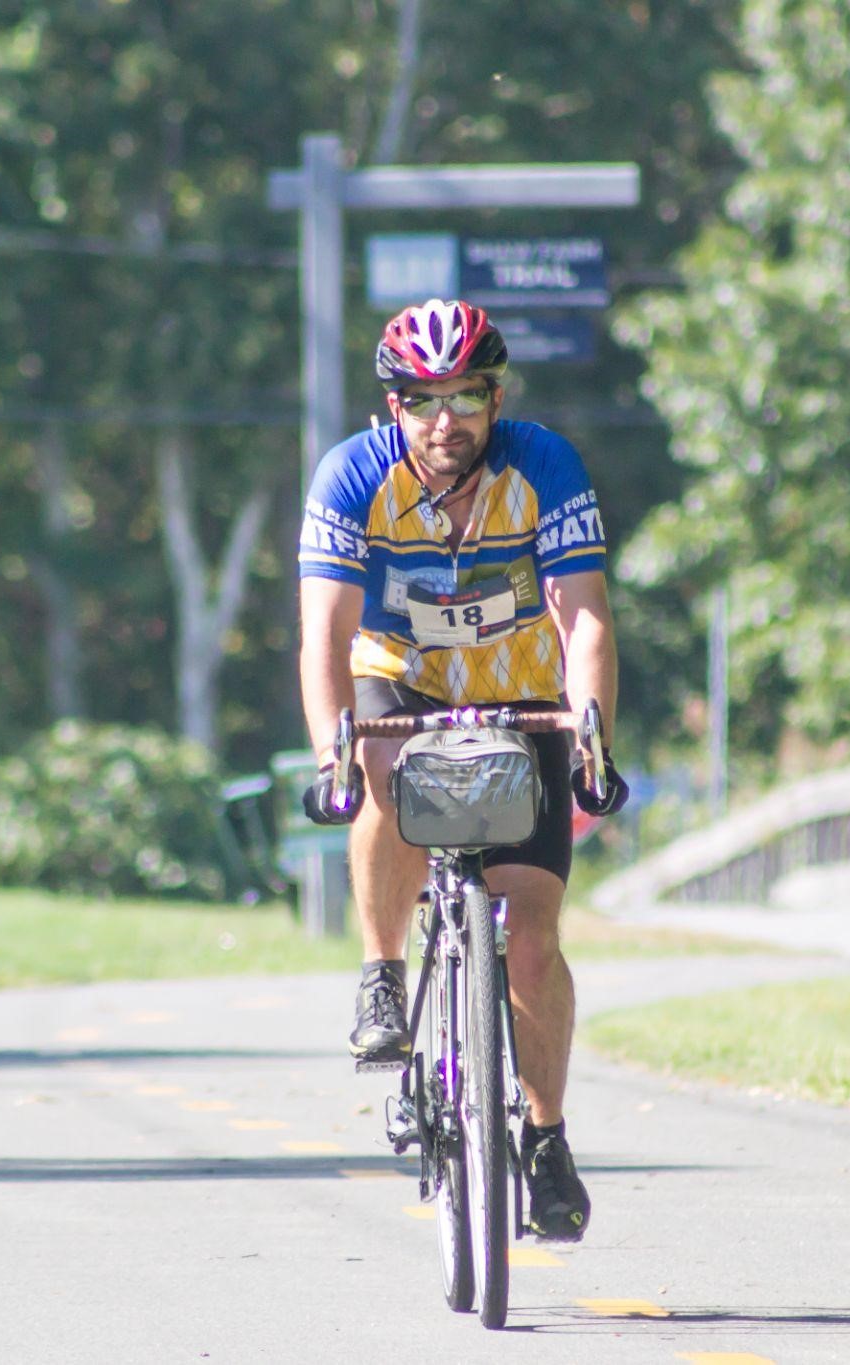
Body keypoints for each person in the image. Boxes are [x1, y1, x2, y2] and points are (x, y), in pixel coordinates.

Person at [295, 298, 627, 1243]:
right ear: (394, 404)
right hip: (400, 678)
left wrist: (595, 736)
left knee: (530, 929)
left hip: (522, 694)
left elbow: (585, 617)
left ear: (496, 397)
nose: (448, 420)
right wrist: (331, 749)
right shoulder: (351, 477)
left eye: (468, 397)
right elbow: (324, 633)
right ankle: (381, 974)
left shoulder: (543, 464)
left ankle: (547, 1137)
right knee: (384, 766)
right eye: (426, 399)